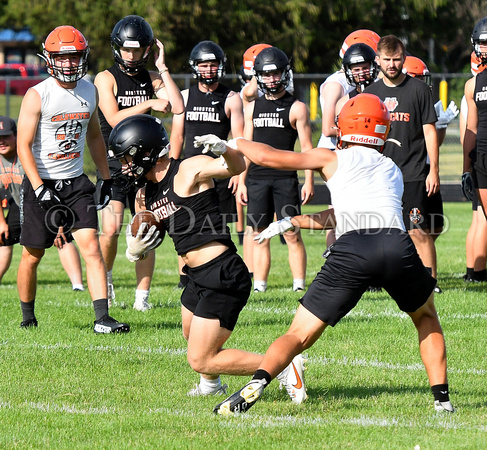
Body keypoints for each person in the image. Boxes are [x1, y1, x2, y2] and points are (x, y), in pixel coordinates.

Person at [211, 93, 453, 415]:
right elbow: (351, 212)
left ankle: (257, 382)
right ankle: (442, 401)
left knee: (298, 334)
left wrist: (234, 142)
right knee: (425, 318)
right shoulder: (391, 168)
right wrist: (292, 220)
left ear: (345, 127)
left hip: (352, 249)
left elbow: (270, 157)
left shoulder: (332, 158)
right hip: (396, 245)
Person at [108, 114, 306, 400]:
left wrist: (224, 149)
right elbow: (151, 233)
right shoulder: (144, 193)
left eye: (127, 159)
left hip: (222, 273)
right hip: (195, 276)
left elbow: (236, 167)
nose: (124, 167)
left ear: (146, 152)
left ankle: (284, 365)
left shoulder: (188, 169)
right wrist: (135, 249)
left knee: (201, 358)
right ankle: (211, 385)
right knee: (190, 333)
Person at [16, 25, 129, 333]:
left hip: (77, 182)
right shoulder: (37, 94)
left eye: (74, 57)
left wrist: (105, 178)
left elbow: (94, 135)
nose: (68, 63)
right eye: (62, 58)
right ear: (50, 59)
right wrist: (39, 188)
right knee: (32, 255)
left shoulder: (89, 90)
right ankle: (27, 317)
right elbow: (22, 146)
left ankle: (102, 318)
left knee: (91, 246)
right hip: (43, 181)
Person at [94, 15, 184, 310]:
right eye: (127, 49)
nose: (131, 56)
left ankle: (141, 298)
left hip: (146, 164)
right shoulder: (105, 78)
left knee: (146, 227)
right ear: (117, 48)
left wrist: (163, 68)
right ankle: (105, 281)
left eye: (138, 50)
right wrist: (147, 103)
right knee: (110, 229)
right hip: (115, 163)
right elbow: (113, 118)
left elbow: (178, 108)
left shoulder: (152, 77)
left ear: (147, 49)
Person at [236, 46, 314, 293]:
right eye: (266, 74)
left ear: (285, 73)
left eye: (276, 73)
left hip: (285, 178)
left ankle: (298, 285)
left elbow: (307, 148)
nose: (272, 79)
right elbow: (245, 148)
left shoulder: (297, 107)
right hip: (257, 178)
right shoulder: (251, 107)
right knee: (259, 233)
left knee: (291, 232)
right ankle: (259, 286)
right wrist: (241, 180)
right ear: (258, 75)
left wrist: (309, 181)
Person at [365, 35, 440, 284]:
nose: (392, 64)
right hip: (380, 175)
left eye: (397, 59)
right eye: (387, 59)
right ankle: (378, 279)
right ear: (377, 60)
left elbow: (430, 131)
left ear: (404, 58)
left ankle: (430, 281)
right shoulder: (371, 93)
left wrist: (434, 171)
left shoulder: (419, 90)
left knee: (417, 230)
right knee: (378, 230)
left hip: (413, 173)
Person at [169, 40, 244, 288]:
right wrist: (172, 166)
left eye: (213, 65)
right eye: (204, 64)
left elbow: (238, 140)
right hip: (189, 172)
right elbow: (177, 135)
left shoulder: (231, 98)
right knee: (184, 225)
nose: (208, 69)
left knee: (218, 225)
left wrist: (237, 174)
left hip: (218, 171)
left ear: (220, 66)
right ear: (195, 67)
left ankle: (220, 272)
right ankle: (185, 277)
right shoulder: (185, 96)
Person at [0, 115, 84, 289]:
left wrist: (60, 223)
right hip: (20, 203)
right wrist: (1, 223)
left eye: (6, 136)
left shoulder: (28, 154)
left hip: (46, 200)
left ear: (17, 135)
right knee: (4, 238)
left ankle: (78, 285)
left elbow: (51, 187)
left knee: (62, 237)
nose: (2, 141)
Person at [402, 55, 460, 293]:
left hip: (427, 169)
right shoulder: (401, 103)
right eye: (419, 79)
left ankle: (417, 267)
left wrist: (442, 126)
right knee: (417, 228)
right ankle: (426, 279)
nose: (424, 84)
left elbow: (434, 144)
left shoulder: (424, 99)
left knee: (435, 224)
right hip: (409, 170)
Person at [462, 16, 487, 283]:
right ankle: (477, 275)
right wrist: (465, 170)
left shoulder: (473, 84)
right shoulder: (472, 85)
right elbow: (471, 130)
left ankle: (476, 275)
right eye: (484, 42)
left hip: (482, 157)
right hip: (483, 158)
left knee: (482, 217)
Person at [335, 43, 379, 114]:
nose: (361, 73)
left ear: (373, 67)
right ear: (349, 71)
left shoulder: (384, 95)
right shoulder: (343, 103)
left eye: (365, 68)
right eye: (356, 70)